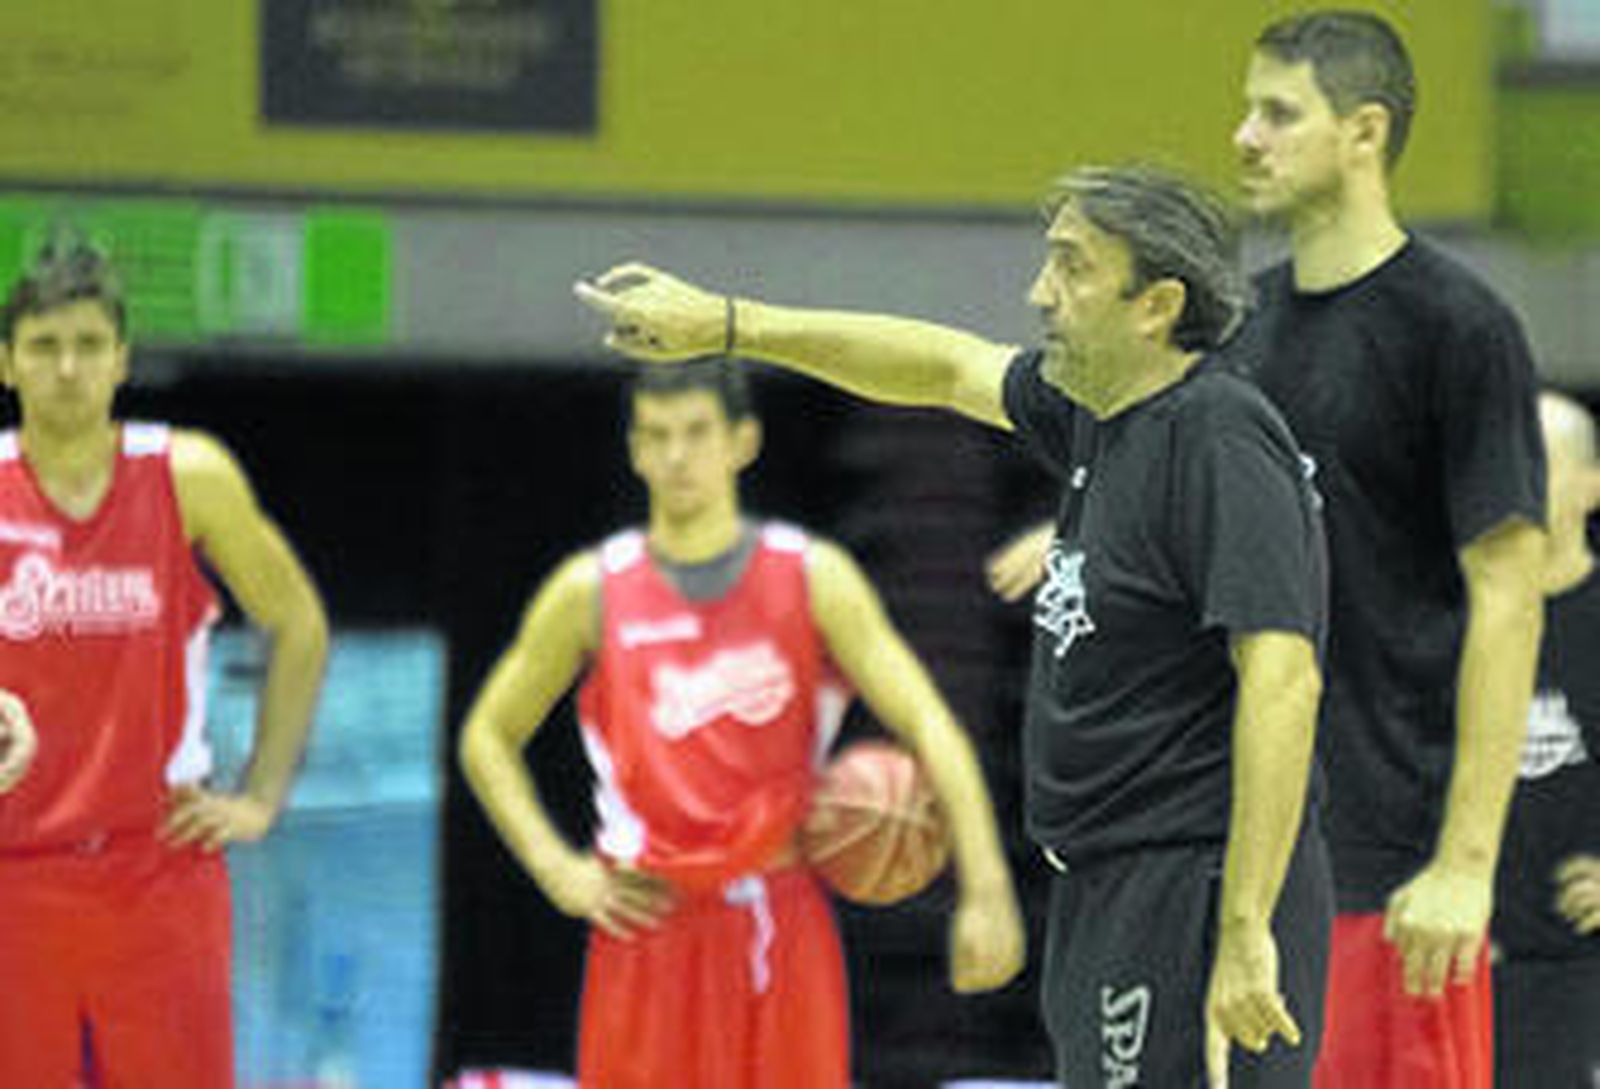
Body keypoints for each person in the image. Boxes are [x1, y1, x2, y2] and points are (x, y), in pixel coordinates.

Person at [575, 164, 1333, 1088]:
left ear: (1156, 304)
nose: (1038, 293)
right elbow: (941, 367)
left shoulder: (1216, 432)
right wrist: (734, 325)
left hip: (1192, 887)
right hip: (1109, 886)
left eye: (1071, 268)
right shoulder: (1103, 424)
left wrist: (1247, 923)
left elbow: (1284, 677)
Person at [456, 357, 1025, 1089]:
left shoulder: (811, 576)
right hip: (647, 918)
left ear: (743, 440)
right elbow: (487, 738)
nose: (676, 455)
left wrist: (986, 887)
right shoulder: (591, 590)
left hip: (780, 913)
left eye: (696, 432)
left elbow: (928, 722)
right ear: (633, 449)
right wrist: (559, 870)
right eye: (656, 436)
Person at [1233, 12, 1547, 1087]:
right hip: (1250, 874)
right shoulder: (1237, 331)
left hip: (1395, 880)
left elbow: (1508, 597)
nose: (1245, 136)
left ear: (1363, 132)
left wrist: (1464, 866)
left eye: (1278, 113)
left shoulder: (1457, 329)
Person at [0, 237, 330, 1087]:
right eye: (43, 346)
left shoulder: (189, 476)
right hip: (12, 875)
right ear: (7, 363)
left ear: (122, 360)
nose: (66, 367)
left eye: (87, 345)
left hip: (156, 874)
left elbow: (298, 622)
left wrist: (259, 796)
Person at [1490, 391, 1600, 1087]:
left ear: (1593, 484)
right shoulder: (1459, 621)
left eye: (1541, 463)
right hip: (1471, 963)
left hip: (1580, 968)